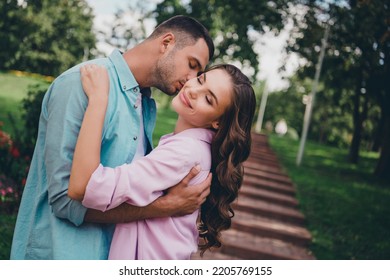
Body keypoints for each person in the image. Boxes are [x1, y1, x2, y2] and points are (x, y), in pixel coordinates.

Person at [11, 15, 215, 260]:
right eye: (192, 64)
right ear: (167, 43)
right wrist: (165, 208)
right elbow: (66, 201)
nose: (191, 81)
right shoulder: (81, 84)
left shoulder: (145, 104)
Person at [67, 63, 256, 259]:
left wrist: (98, 100)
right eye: (200, 80)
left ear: (218, 122)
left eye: (208, 99)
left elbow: (91, 186)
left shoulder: (185, 152)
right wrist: (168, 205)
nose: (193, 91)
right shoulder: (194, 148)